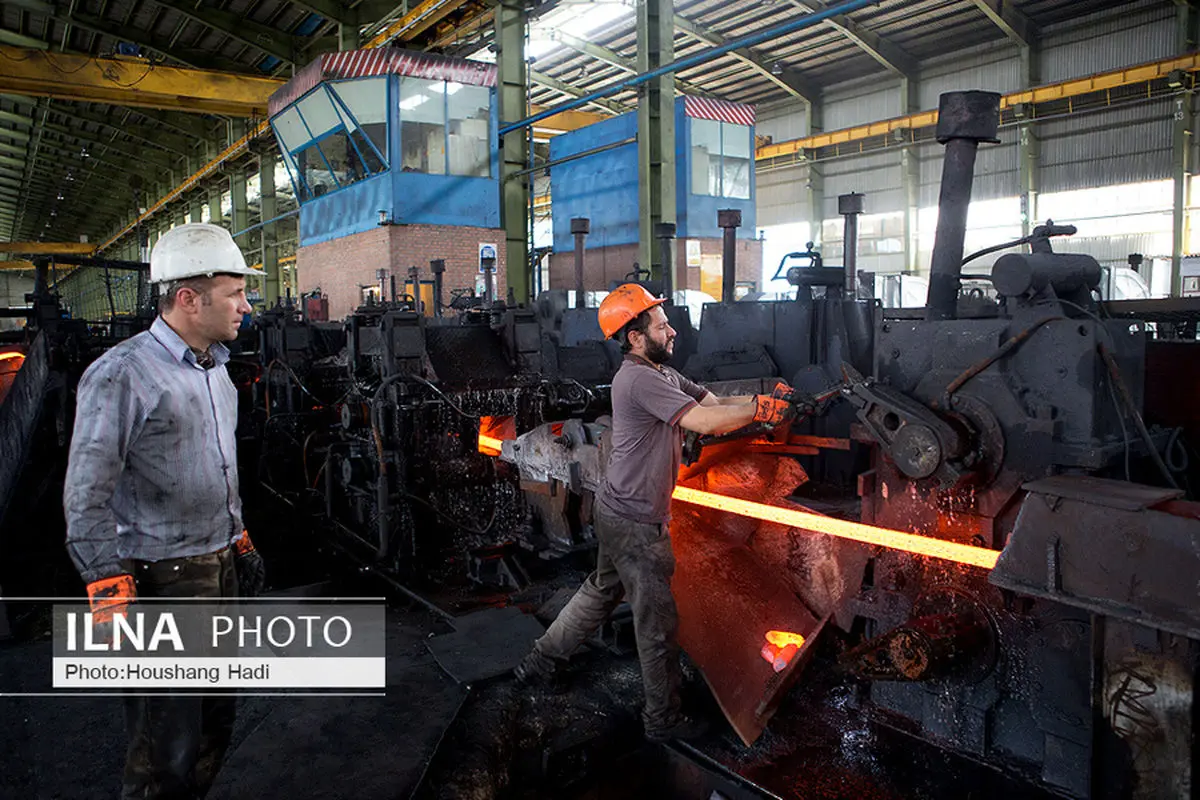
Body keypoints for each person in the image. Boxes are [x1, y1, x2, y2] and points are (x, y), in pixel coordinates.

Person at [514, 283, 793, 742]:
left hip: (618, 510)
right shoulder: (639, 379)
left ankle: (540, 662)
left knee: (601, 591)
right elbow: (701, 422)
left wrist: (764, 402)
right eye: (662, 326)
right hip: (635, 524)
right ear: (635, 337)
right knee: (656, 624)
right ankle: (662, 720)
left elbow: (714, 405)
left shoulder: (663, 374)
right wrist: (760, 409)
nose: (673, 332)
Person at [64, 222, 267, 799]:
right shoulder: (123, 374)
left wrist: (241, 540)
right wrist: (107, 582)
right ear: (188, 298)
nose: (245, 307)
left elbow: (217, 470)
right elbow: (85, 493)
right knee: (164, 744)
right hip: (162, 578)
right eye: (234, 294)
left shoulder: (216, 370)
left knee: (214, 720)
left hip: (217, 563)